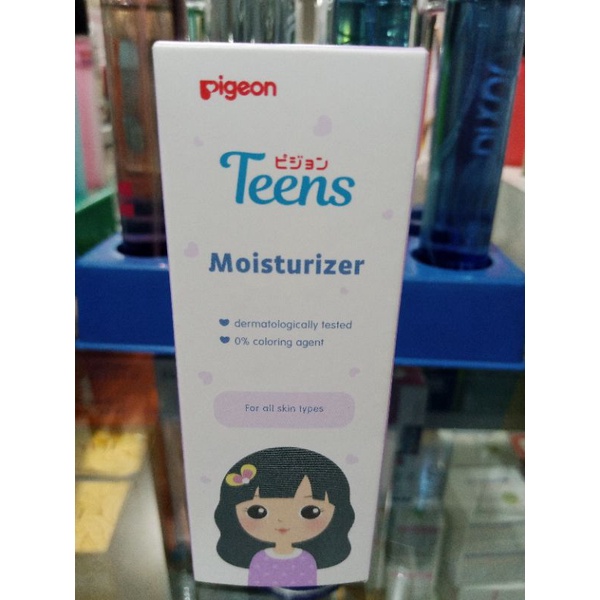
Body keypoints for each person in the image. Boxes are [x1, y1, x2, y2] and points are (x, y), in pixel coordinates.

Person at [214, 447, 355, 587]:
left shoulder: (306, 560)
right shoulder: (259, 560)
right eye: (257, 511)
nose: (282, 520)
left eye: (310, 511)